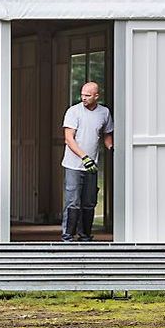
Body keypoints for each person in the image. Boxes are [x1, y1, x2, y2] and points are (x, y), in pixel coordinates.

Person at [61, 82, 113, 242]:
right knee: (73, 202)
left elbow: (107, 134)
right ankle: (68, 237)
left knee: (89, 202)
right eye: (82, 94)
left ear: (97, 96)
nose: (83, 98)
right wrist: (84, 157)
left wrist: (111, 147)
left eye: (87, 95)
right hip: (73, 166)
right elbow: (69, 138)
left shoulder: (104, 112)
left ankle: (85, 236)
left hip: (92, 167)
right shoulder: (73, 111)